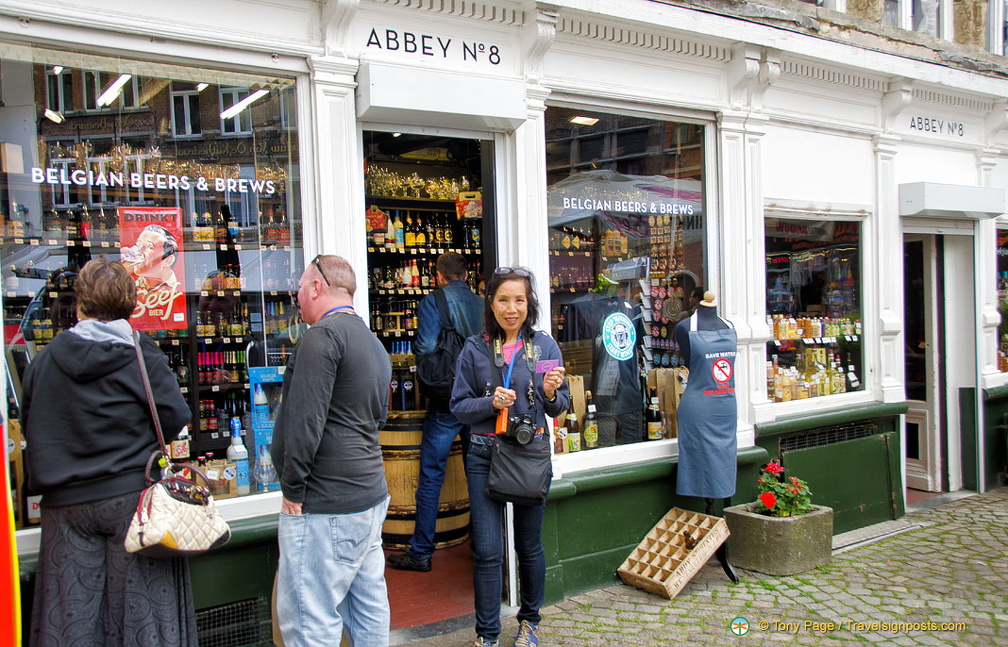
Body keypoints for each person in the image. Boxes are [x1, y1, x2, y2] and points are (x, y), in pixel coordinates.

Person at [22, 256, 195, 646]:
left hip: (65, 506)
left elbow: (33, 422)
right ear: (131, 305)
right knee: (143, 617)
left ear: (80, 303)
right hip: (129, 499)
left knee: (70, 619)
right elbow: (175, 415)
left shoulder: (46, 359)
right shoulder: (140, 353)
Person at [271, 254, 393, 647]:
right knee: (368, 609)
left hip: (325, 504)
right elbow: (378, 418)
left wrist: (293, 490)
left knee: (311, 622)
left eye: (299, 288)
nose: (296, 296)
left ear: (317, 287)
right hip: (368, 495)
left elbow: (304, 423)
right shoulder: (373, 344)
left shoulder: (321, 337)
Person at [451, 266, 570, 647]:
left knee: (528, 546)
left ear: (529, 303)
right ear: (491, 303)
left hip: (529, 455)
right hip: (484, 455)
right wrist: (490, 402)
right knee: (488, 551)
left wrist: (550, 393)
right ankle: (487, 635)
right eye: (503, 300)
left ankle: (529, 623)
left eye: (519, 300)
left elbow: (560, 407)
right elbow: (458, 406)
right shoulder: (475, 348)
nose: (512, 308)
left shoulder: (545, 348)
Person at [388, 252, 483, 572]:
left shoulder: (433, 301)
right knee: (477, 474)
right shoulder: (482, 304)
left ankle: (421, 552)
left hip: (446, 400)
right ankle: (482, 544)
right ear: (466, 275)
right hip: (478, 400)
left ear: (438, 276)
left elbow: (427, 347)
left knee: (431, 476)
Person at [673, 290, 738, 499]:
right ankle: (708, 506)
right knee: (701, 467)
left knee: (725, 464)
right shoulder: (685, 328)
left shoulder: (730, 326)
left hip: (726, 408)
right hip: (700, 409)